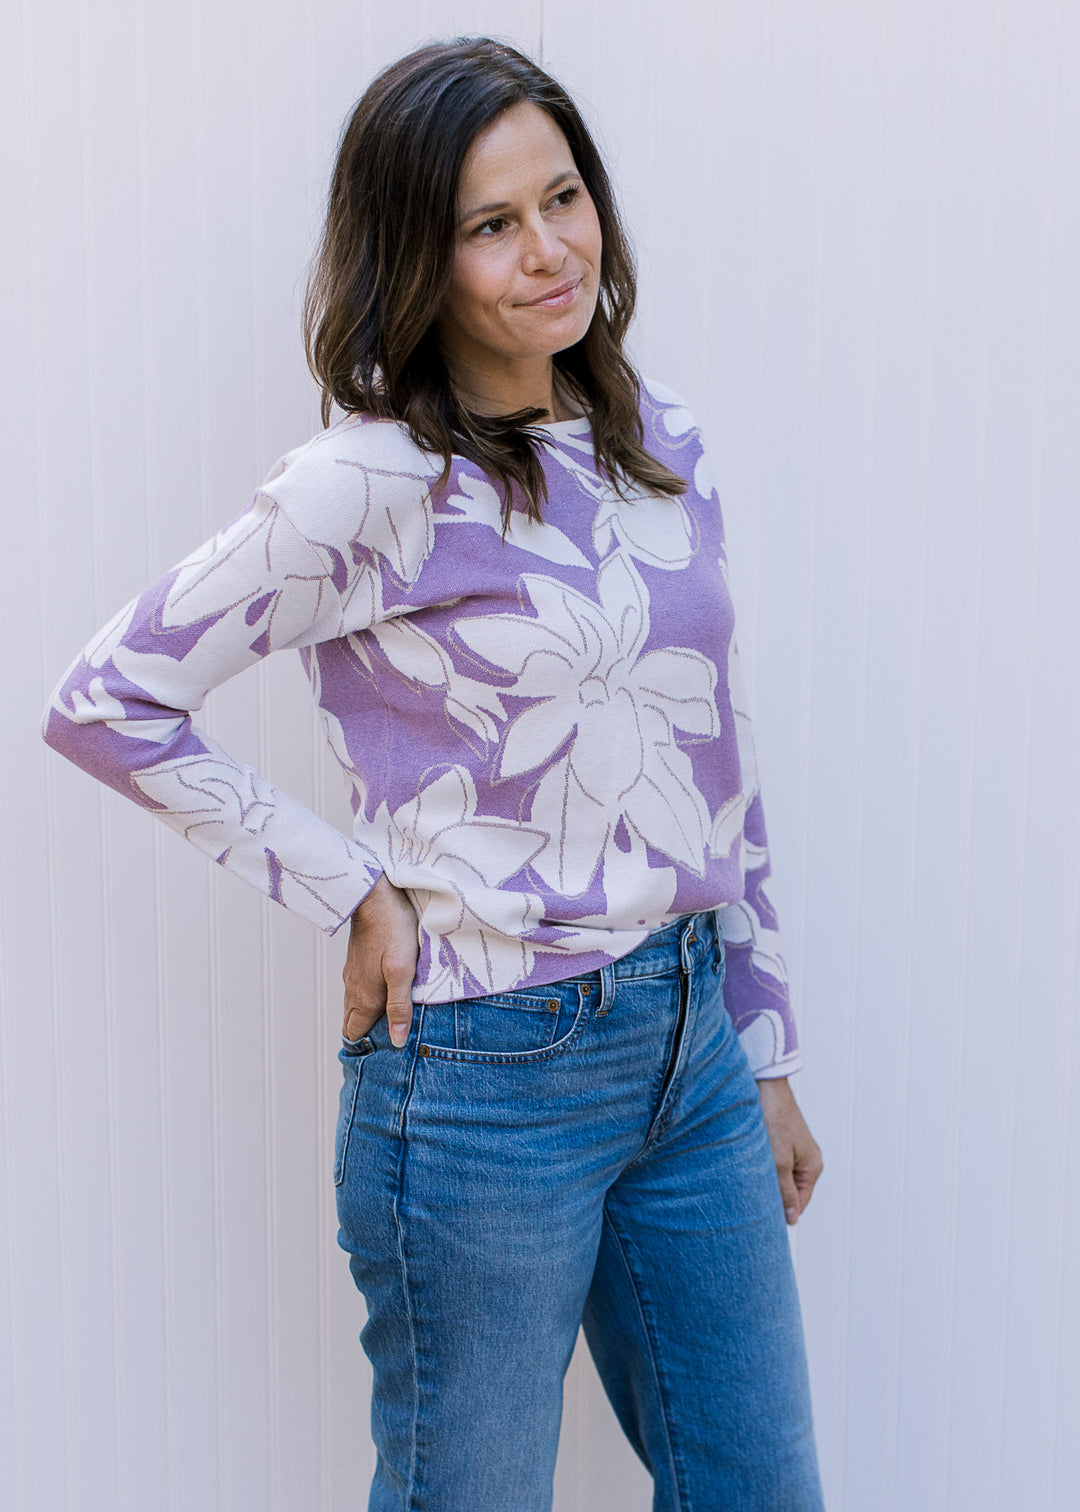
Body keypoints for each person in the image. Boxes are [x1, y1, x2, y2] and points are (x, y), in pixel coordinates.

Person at [42, 35, 826, 1512]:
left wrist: (763, 1045)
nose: (551, 250)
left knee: (762, 1491)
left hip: (690, 1047)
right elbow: (108, 700)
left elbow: (720, 752)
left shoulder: (660, 442)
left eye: (565, 196)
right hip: (483, 1075)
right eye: (491, 224)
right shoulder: (375, 481)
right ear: (419, 256)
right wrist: (352, 885)